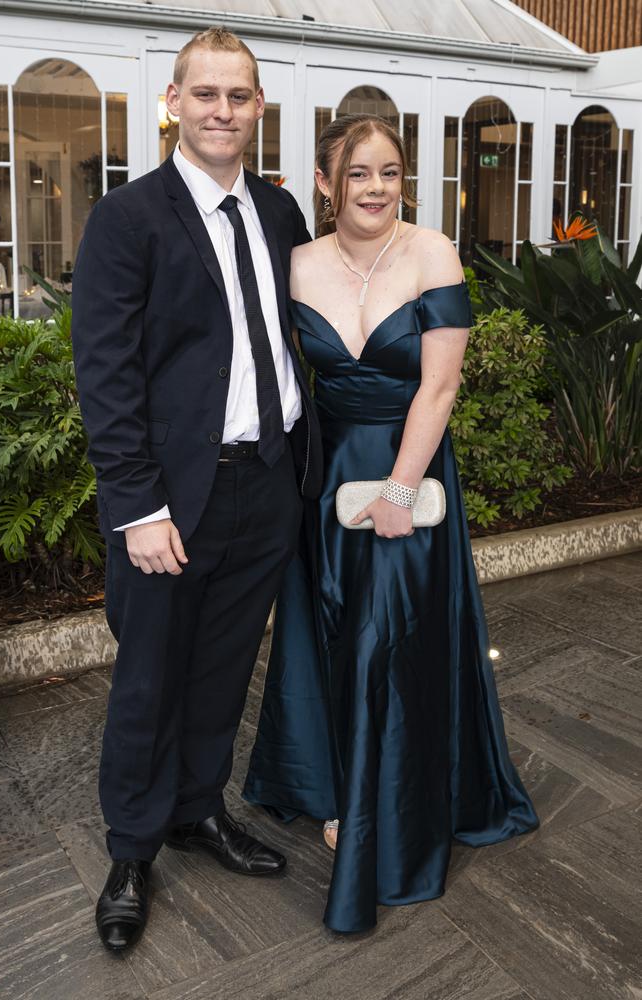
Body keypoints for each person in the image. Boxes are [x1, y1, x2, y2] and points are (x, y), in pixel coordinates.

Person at [244, 113, 539, 934]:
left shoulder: (432, 252)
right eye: (359, 173)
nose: (377, 188)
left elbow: (439, 389)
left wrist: (401, 494)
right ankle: (335, 787)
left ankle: (390, 808)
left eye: (390, 172)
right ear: (325, 181)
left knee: (388, 640)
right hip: (326, 480)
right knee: (330, 639)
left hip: (409, 475)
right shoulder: (297, 262)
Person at [71, 27, 321, 953]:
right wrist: (137, 506)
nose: (223, 111)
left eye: (240, 96)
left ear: (260, 108)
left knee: (221, 670)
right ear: (172, 102)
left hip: (266, 485)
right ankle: (132, 849)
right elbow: (106, 373)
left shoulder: (280, 213)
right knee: (148, 679)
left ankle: (195, 810)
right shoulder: (127, 219)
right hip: (170, 502)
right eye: (205, 94)